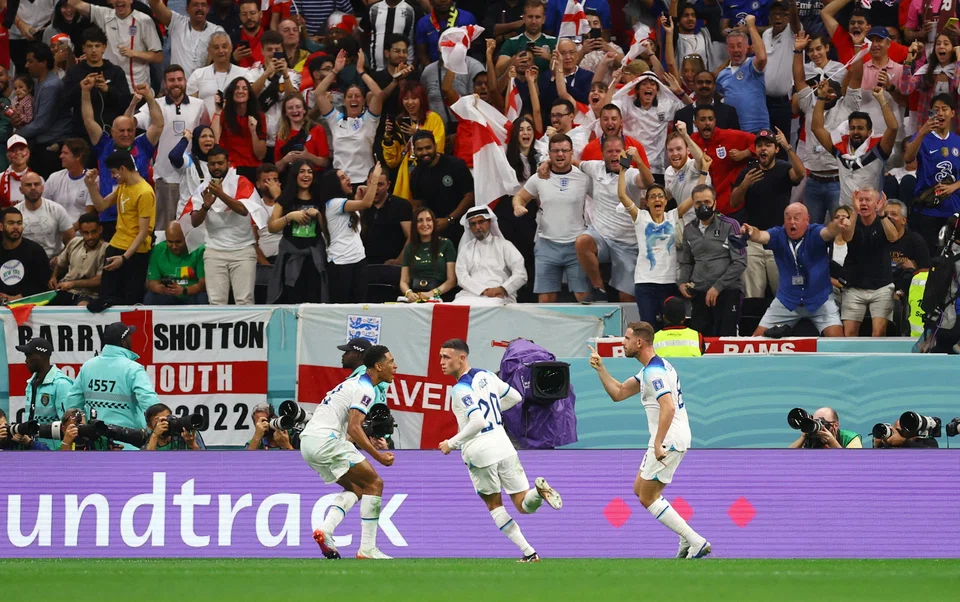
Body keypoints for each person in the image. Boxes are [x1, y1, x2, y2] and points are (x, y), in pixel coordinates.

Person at [588, 321, 710, 559]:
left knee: (647, 496)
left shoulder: (655, 372)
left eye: (626, 338)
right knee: (640, 488)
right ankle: (686, 537)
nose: (623, 343)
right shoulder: (651, 369)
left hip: (669, 438)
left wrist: (658, 442)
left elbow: (668, 407)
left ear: (639, 342)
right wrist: (601, 369)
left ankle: (696, 541)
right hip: (668, 437)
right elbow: (619, 392)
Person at [438, 338, 562, 563]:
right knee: (525, 505)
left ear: (462, 358)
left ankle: (529, 552)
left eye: (446, 357)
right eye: (440, 357)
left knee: (494, 505)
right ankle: (539, 491)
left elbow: (475, 422)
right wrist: (493, 410)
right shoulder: (486, 375)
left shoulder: (460, 389)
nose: (441, 362)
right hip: (504, 445)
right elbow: (515, 397)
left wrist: (451, 443)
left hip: (480, 451)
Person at [302, 345, 398, 561]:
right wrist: (379, 456)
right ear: (378, 366)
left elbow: (352, 428)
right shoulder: (366, 388)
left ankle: (326, 529)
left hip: (309, 443)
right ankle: (367, 549)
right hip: (327, 441)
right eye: (391, 361)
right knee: (375, 484)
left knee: (357, 488)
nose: (395, 366)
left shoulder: (352, 384)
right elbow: (354, 428)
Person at [741, 203, 849, 337]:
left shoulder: (815, 232)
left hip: (820, 300)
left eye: (797, 218)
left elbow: (828, 231)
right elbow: (761, 236)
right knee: (756, 341)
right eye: (788, 218)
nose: (792, 222)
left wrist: (837, 225)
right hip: (786, 300)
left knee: (838, 343)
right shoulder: (778, 234)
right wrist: (751, 232)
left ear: (807, 219)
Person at [793, 34, 864, 224]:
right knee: (813, 230)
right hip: (814, 181)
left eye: (833, 89)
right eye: (826, 90)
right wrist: (798, 51)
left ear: (840, 90)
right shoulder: (810, 104)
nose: (830, 92)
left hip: (838, 180)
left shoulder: (848, 105)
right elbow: (799, 79)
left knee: (841, 229)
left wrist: (858, 46)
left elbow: (856, 76)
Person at [513, 133, 591, 303]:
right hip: (546, 244)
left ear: (572, 152)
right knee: (546, 299)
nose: (560, 154)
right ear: (549, 153)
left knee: (584, 298)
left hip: (576, 245)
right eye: (555, 151)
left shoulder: (584, 178)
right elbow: (520, 196)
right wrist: (518, 206)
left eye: (564, 150)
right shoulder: (539, 177)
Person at [620, 158, 697, 327]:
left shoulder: (673, 216)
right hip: (645, 284)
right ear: (647, 202)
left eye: (660, 196)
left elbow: (695, 196)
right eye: (652, 197)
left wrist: (704, 173)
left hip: (668, 283)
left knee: (668, 327)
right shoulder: (641, 217)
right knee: (648, 327)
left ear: (666, 201)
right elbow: (621, 195)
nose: (657, 199)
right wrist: (622, 170)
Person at [730, 128, 805, 298]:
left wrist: (789, 148)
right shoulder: (748, 172)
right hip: (753, 240)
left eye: (768, 145)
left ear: (776, 149)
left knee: (784, 293)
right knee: (753, 295)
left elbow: (800, 174)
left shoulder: (784, 168)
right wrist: (745, 184)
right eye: (759, 146)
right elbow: (733, 202)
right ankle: (754, 325)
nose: (763, 149)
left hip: (778, 240)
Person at [83, 81, 163, 241]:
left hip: (139, 216)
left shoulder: (143, 145)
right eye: (121, 131)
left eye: (130, 130)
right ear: (112, 131)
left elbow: (158, 124)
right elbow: (89, 121)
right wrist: (85, 92)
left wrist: (148, 96)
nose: (126, 134)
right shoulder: (103, 145)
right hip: (110, 217)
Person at [577, 138, 654, 302]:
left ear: (624, 153)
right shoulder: (594, 167)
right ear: (603, 154)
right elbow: (575, 163)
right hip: (601, 236)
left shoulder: (631, 174)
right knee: (582, 241)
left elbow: (649, 183)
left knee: (627, 298)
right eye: (609, 151)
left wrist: (639, 161)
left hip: (627, 243)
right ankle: (599, 288)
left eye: (618, 151)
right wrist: (547, 164)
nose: (614, 155)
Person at [136, 65, 208, 231]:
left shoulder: (199, 105)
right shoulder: (154, 105)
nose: (176, 83)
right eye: (171, 80)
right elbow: (134, 121)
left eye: (179, 79)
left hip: (192, 177)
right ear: (165, 83)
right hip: (165, 176)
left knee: (191, 228)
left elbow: (205, 135)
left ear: (185, 81)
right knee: (163, 228)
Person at [63, 322, 160, 440]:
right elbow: (150, 402)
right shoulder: (133, 369)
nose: (132, 340)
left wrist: (83, 430)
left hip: (95, 443)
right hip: (127, 443)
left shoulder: (88, 366)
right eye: (130, 336)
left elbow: (72, 403)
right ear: (124, 341)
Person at [189, 146, 259, 305]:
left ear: (228, 163)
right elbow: (194, 222)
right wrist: (206, 206)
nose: (216, 167)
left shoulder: (242, 182)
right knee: (216, 302)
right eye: (212, 164)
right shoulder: (201, 189)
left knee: (244, 301)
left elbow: (243, 210)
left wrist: (219, 194)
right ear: (208, 166)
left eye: (220, 163)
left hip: (243, 250)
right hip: (214, 251)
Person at [83, 151, 156, 305]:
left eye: (113, 172)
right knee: (107, 298)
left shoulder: (145, 192)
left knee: (130, 301)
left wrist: (124, 258)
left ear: (122, 169)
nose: (112, 176)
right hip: (116, 246)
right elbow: (101, 205)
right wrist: (90, 186)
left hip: (135, 254)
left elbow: (143, 232)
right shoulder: (123, 186)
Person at [677, 184, 747, 336]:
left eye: (707, 202)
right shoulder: (689, 229)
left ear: (715, 203)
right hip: (700, 292)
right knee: (700, 341)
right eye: (698, 203)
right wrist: (682, 282)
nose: (703, 206)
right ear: (693, 205)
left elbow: (740, 261)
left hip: (728, 291)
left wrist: (717, 287)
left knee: (726, 339)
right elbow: (687, 261)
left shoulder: (731, 225)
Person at [811, 87, 898, 207]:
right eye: (852, 128)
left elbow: (893, 128)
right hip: (846, 213)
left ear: (869, 131)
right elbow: (817, 128)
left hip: (872, 212)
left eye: (860, 128)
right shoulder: (839, 149)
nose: (856, 132)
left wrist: (881, 99)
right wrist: (820, 98)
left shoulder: (878, 149)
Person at [317, 49, 385, 188]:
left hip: (365, 181)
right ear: (344, 101)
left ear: (364, 101)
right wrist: (335, 70)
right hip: (340, 182)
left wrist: (361, 71)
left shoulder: (369, 120)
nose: (353, 99)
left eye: (357, 96)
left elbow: (378, 94)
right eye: (350, 96)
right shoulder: (335, 119)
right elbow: (318, 93)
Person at [266, 158, 329, 304]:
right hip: (290, 259)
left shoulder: (320, 198)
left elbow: (327, 232)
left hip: (314, 259)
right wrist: (289, 217)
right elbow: (272, 227)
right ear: (295, 175)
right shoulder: (285, 198)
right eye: (302, 172)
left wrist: (319, 215)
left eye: (310, 172)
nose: (306, 175)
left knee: (314, 299)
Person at [903, 93, 960, 252]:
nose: (940, 113)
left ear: (952, 113)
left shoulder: (957, 141)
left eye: (944, 109)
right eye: (936, 110)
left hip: (954, 208)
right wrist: (921, 133)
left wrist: (954, 186)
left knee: (952, 257)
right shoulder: (922, 137)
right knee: (930, 256)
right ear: (930, 114)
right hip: (928, 208)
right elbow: (908, 158)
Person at [841, 187, 899, 337]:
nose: (864, 203)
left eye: (868, 200)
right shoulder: (851, 220)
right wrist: (854, 211)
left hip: (881, 286)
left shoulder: (885, 220)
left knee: (879, 332)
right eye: (861, 200)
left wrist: (882, 215)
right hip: (854, 286)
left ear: (877, 203)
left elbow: (893, 237)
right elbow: (846, 237)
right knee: (849, 334)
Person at [68, 0, 163, 92]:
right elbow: (73, 2)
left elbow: (158, 57)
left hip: (136, 88)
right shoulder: (103, 14)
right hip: (109, 86)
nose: (119, 1)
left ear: (131, 0)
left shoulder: (144, 20)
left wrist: (135, 53)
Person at [322, 165, 383, 304]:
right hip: (341, 263)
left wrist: (357, 198)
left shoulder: (345, 203)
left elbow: (351, 225)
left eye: (346, 175)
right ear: (334, 185)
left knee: (360, 304)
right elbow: (367, 203)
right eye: (342, 178)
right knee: (342, 307)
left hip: (359, 259)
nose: (348, 179)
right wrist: (374, 178)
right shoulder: (333, 204)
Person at [62, 26, 133, 140]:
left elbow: (126, 103)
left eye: (97, 46)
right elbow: (65, 103)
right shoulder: (74, 71)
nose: (94, 50)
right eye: (89, 46)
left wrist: (107, 89)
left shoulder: (115, 71)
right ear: (83, 48)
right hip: (82, 133)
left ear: (104, 48)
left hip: (110, 132)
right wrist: (81, 87)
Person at [15, 44, 72, 178]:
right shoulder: (38, 82)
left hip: (52, 146)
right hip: (42, 144)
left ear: (43, 63)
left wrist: (17, 134)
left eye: (30, 61)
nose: (26, 65)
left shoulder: (50, 86)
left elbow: (41, 124)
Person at [383, 82, 446, 202]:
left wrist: (418, 133)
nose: (410, 102)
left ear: (421, 99)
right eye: (406, 98)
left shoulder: (433, 118)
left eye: (414, 98)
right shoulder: (400, 121)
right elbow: (392, 161)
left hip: (430, 173)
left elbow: (438, 148)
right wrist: (388, 137)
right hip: (408, 173)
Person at [453, 205, 527, 305]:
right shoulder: (466, 249)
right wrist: (483, 290)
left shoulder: (504, 245)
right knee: (456, 305)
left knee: (492, 304)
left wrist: (502, 289)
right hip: (471, 292)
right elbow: (462, 277)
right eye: (473, 224)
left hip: (500, 294)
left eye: (481, 222)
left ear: (489, 222)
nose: (477, 227)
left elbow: (521, 274)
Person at [408, 131, 473, 246]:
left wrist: (449, 219)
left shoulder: (455, 165)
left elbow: (470, 196)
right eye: (420, 149)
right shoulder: (415, 174)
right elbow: (418, 206)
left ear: (435, 146)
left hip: (462, 227)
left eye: (428, 148)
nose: (424, 152)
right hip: (435, 230)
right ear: (415, 150)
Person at [690, 105, 755, 216]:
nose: (707, 123)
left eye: (710, 119)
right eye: (702, 119)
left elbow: (759, 141)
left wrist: (745, 153)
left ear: (715, 121)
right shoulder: (692, 142)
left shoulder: (729, 136)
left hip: (730, 205)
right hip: (703, 207)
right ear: (695, 123)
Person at [17, 337, 74, 449]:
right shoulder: (31, 383)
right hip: (32, 449)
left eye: (29, 355)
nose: (26, 360)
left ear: (41, 356)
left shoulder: (61, 384)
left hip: (53, 453)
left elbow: (69, 427)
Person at [715, 15, 768, 133]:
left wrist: (751, 27)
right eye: (732, 46)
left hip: (757, 131)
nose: (736, 50)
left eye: (739, 45)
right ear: (727, 50)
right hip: (734, 132)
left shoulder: (753, 66)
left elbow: (762, 58)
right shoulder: (722, 75)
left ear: (747, 47)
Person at [149, 0, 224, 81]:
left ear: (208, 8)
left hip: (203, 86)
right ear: (187, 9)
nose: (200, 8)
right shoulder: (176, 22)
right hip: (177, 87)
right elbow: (154, 3)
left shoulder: (216, 31)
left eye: (203, 5)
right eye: (195, 5)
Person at [212, 77, 266, 184]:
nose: (240, 91)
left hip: (253, 169)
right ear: (232, 93)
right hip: (231, 169)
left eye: (245, 88)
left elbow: (261, 155)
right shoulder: (224, 114)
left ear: (249, 93)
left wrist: (253, 131)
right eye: (237, 88)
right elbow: (216, 142)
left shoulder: (259, 117)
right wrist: (218, 110)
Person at [187, 32, 252, 119]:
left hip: (235, 128)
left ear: (231, 48)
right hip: (206, 129)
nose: (221, 51)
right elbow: (191, 106)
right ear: (209, 50)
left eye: (224, 47)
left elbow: (252, 99)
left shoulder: (244, 73)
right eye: (216, 48)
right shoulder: (198, 74)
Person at [400, 207, 458, 301]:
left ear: (434, 223)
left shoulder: (446, 244)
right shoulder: (410, 247)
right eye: (420, 221)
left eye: (428, 220)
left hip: (440, 295)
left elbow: (451, 280)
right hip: (415, 295)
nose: (425, 224)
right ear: (415, 225)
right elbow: (403, 281)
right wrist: (408, 293)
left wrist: (431, 294)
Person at [144, 221, 208, 305]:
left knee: (203, 297)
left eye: (178, 242)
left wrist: (184, 290)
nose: (174, 246)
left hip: (191, 294)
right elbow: (152, 282)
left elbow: (203, 284)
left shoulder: (199, 250)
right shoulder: (158, 250)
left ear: (186, 237)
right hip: (168, 295)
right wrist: (158, 288)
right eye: (170, 242)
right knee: (150, 297)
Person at [15, 172, 75, 260]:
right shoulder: (15, 213)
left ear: (42, 188)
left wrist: (60, 258)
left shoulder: (56, 209)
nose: (33, 188)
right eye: (28, 185)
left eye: (36, 184)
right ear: (21, 190)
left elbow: (71, 240)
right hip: (25, 262)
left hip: (53, 261)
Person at [49, 212, 105, 306]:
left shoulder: (106, 249)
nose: (90, 237)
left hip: (88, 295)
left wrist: (73, 283)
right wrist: (54, 277)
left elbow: (99, 280)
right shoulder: (74, 242)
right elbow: (60, 262)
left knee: (82, 307)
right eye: (86, 233)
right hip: (65, 290)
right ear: (81, 232)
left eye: (93, 232)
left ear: (100, 229)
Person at [884, 199, 931, 307]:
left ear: (903, 220)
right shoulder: (876, 238)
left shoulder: (915, 240)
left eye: (894, 214)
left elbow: (926, 271)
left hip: (907, 292)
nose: (889, 217)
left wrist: (901, 292)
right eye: (885, 214)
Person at [361, 167, 412, 266]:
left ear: (388, 185)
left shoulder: (401, 205)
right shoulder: (360, 205)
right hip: (364, 265)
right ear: (367, 182)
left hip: (391, 265)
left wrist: (399, 260)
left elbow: (411, 237)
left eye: (380, 184)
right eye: (372, 183)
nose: (375, 188)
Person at [663, 121, 710, 225]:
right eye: (670, 150)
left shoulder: (694, 166)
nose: (675, 153)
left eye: (679, 149)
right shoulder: (668, 172)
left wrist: (685, 135)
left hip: (704, 223)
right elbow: (669, 193)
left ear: (688, 150)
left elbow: (701, 159)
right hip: (685, 226)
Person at [0, 207, 51, 302]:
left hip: (30, 304)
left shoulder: (35, 250)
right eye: (11, 223)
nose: (16, 227)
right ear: (1, 227)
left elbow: (42, 284)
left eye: (19, 223)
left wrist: (16, 298)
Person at [495, 0, 555, 75]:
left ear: (543, 19)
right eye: (530, 17)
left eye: (537, 17)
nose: (534, 21)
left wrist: (549, 57)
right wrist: (513, 61)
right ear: (523, 18)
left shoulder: (554, 42)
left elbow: (568, 69)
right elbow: (498, 71)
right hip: (518, 85)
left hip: (547, 86)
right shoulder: (512, 42)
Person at [274, 93, 330, 172]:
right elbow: (276, 168)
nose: (294, 111)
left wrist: (308, 156)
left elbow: (325, 162)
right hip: (290, 179)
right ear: (285, 113)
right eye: (290, 108)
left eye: (298, 107)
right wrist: (285, 160)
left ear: (304, 110)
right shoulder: (281, 135)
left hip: (314, 177)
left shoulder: (317, 129)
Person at [43, 138, 92, 229]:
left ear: (78, 156)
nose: (60, 156)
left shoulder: (93, 179)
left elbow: (89, 214)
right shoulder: (54, 178)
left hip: (80, 234)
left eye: (65, 153)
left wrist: (68, 232)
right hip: (56, 231)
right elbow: (43, 206)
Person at [672, 70, 740, 134]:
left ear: (714, 86)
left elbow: (736, 139)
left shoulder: (728, 112)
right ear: (694, 86)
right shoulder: (681, 115)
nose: (704, 85)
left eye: (708, 82)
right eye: (700, 82)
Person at [415, 0, 478, 66]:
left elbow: (474, 49)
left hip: (464, 67)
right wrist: (433, 72)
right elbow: (422, 54)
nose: (443, 0)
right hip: (435, 68)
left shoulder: (467, 18)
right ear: (431, 1)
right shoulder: (423, 23)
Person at [368, 0, 417, 72]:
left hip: (402, 69)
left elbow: (412, 38)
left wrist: (410, 63)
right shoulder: (374, 9)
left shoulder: (409, 10)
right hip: (376, 67)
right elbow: (365, 35)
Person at [788, 407, 863, 448]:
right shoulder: (810, 437)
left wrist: (832, 442)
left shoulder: (850, 438)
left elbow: (854, 463)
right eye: (815, 422)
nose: (819, 426)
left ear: (835, 425)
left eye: (822, 422)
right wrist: (803, 436)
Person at [0, 135, 39, 208]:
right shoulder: (0, 178)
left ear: (28, 152)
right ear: (8, 155)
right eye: (13, 150)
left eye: (21, 149)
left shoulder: (38, 180)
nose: (18, 153)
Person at [231, 0, 265, 69]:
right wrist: (233, 58)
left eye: (252, 13)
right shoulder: (232, 38)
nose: (248, 17)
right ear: (240, 16)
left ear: (260, 14)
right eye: (244, 14)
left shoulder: (270, 37)